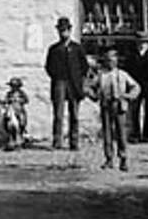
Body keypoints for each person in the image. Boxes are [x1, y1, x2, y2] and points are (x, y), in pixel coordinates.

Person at [89, 48, 138, 172]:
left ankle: (123, 159)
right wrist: (93, 95)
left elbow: (136, 87)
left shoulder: (122, 74)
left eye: (113, 60)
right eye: (109, 60)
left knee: (121, 133)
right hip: (106, 105)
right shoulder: (101, 75)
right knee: (107, 133)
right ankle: (109, 158)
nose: (111, 63)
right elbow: (90, 87)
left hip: (119, 105)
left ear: (116, 62)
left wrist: (128, 96)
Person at [45, 16, 89, 151]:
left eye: (65, 30)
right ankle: (57, 140)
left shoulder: (77, 48)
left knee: (74, 114)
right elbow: (48, 67)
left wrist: (80, 81)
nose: (63, 33)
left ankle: (74, 141)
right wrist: (57, 76)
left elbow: (84, 66)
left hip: (74, 84)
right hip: (59, 82)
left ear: (70, 31)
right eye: (60, 30)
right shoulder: (54, 49)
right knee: (58, 114)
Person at [125, 32, 148, 143]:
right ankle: (136, 133)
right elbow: (128, 70)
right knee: (135, 110)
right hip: (136, 85)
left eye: (144, 43)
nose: (141, 45)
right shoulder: (132, 55)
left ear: (147, 44)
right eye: (139, 42)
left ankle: (146, 134)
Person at [0, 77, 30, 151]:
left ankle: (20, 141)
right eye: (12, 86)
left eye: (15, 86)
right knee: (9, 125)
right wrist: (7, 101)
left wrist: (19, 100)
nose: (13, 88)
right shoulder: (9, 94)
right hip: (11, 110)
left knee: (21, 124)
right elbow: (5, 101)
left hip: (19, 111)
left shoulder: (21, 93)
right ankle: (11, 141)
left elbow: (26, 100)